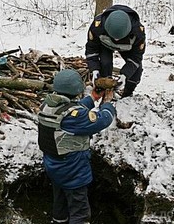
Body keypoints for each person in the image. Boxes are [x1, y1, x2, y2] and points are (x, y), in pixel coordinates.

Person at [37, 69, 116, 224]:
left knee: (60, 202)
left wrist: (92, 98)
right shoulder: (75, 117)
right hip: (73, 169)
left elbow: (70, 108)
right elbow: (102, 120)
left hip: (54, 165)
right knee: (79, 210)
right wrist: (107, 105)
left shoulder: (47, 105)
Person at [85, 4, 146, 98]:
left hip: (127, 47)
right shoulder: (97, 27)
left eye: (118, 38)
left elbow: (136, 57)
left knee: (136, 71)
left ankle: (127, 94)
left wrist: (125, 75)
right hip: (105, 45)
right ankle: (105, 91)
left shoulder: (138, 32)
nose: (116, 40)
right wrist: (94, 70)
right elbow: (92, 50)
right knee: (105, 63)